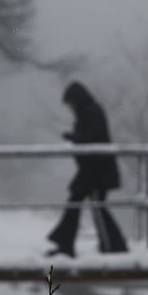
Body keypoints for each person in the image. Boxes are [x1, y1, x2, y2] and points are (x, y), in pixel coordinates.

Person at [46, 81, 129, 257]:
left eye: (70, 104)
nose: (70, 108)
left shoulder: (92, 113)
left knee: (96, 206)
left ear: (77, 100)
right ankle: (67, 243)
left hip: (98, 172)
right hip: (92, 171)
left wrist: (74, 137)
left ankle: (113, 246)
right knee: (81, 204)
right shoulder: (89, 113)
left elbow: (92, 138)